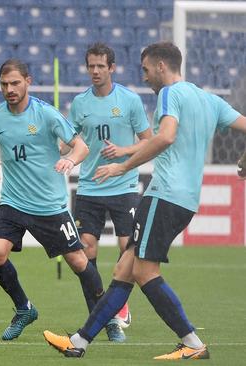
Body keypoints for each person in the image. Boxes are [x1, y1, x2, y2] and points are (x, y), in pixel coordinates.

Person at [44, 41, 246, 360]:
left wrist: (123, 165)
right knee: (124, 268)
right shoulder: (208, 99)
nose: (145, 76)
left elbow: (165, 136)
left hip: (163, 195)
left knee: (144, 271)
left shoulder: (170, 93)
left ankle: (192, 343)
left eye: (146, 69)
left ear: (161, 66)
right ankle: (79, 342)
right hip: (186, 199)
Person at [0, 59, 109, 342]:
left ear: (28, 81)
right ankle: (24, 308)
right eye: (4, 84)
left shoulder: (47, 115)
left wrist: (69, 160)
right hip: (13, 202)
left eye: (15, 83)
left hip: (49, 206)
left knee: (78, 261)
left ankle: (105, 318)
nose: (9, 89)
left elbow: (82, 146)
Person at [68, 42, 153, 341]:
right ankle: (102, 317)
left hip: (125, 183)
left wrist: (124, 150)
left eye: (100, 66)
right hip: (90, 185)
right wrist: (62, 149)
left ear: (112, 67)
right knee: (86, 250)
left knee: (127, 245)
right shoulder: (79, 104)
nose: (95, 71)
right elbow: (71, 141)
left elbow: (149, 140)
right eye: (91, 65)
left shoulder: (129, 100)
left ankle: (121, 304)